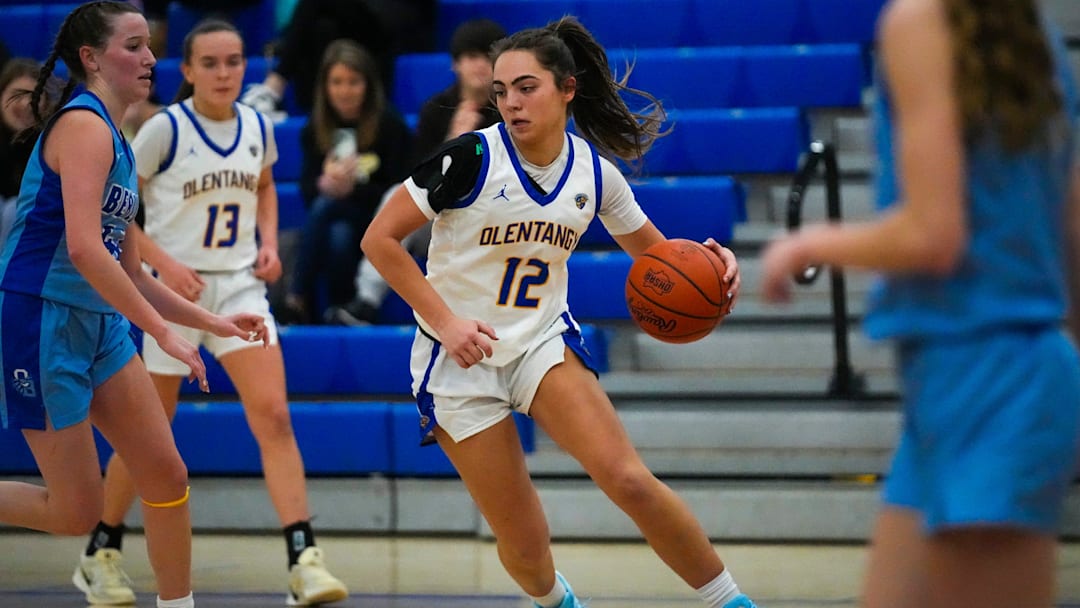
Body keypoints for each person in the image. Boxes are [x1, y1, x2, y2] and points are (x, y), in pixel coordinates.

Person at [361, 16, 757, 608]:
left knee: (628, 479)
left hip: (540, 343)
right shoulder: (469, 157)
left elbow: (661, 260)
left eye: (527, 87)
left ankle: (732, 603)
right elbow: (379, 241)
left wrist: (714, 266)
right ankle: (557, 602)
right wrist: (445, 323)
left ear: (567, 88)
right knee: (526, 546)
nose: (511, 103)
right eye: (500, 91)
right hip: (458, 361)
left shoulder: (595, 175)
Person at [759, 1, 1080, 607]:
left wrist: (806, 241)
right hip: (995, 379)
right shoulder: (1032, 32)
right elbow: (1073, 227)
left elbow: (933, 234)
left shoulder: (919, 21)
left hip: (983, 374)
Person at [0, 3, 270, 608]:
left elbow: (127, 268)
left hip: (98, 324)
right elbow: (84, 249)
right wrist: (164, 336)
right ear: (92, 59)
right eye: (133, 45)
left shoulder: (118, 136)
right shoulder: (85, 127)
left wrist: (209, 322)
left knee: (166, 475)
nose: (150, 58)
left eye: (149, 46)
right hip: (41, 321)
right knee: (76, 512)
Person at [73, 18, 349, 607]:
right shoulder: (162, 130)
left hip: (242, 289)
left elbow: (267, 185)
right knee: (149, 434)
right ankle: (101, 548)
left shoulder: (256, 124)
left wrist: (269, 240)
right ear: (189, 70)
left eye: (234, 61)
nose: (225, 73)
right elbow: (116, 211)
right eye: (212, 63)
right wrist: (162, 265)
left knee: (273, 415)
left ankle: (304, 559)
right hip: (172, 298)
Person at [332, 18, 506, 326]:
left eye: (487, 57)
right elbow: (418, 178)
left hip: (492, 217)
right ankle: (366, 301)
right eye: (470, 57)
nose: (479, 65)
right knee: (395, 197)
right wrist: (453, 143)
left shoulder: (511, 110)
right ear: (455, 64)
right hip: (440, 218)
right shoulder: (436, 109)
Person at [280, 38, 413, 325]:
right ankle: (341, 312)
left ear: (367, 85)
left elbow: (401, 190)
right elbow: (307, 191)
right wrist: (324, 185)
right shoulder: (315, 128)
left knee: (327, 211)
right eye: (337, 82)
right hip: (335, 222)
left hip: (376, 219)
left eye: (353, 82)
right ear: (325, 87)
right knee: (336, 231)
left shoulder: (389, 124)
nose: (345, 91)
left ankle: (297, 297)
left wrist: (353, 190)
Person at [240, 0, 392, 118]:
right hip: (347, 23)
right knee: (322, 29)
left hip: (388, 17)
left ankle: (276, 83)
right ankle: (323, 113)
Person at [0, 58, 41, 245]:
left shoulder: (50, 144)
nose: (26, 103)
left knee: (13, 211)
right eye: (17, 95)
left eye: (34, 97)